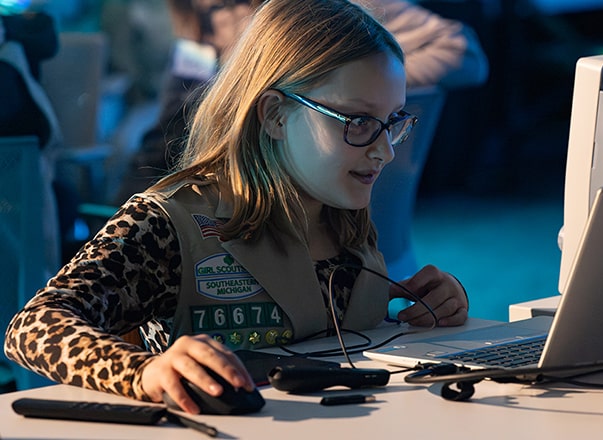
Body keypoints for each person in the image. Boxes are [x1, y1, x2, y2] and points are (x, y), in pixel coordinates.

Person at [4, 0, 468, 415]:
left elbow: (331, 341)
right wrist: (143, 372)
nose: (385, 151)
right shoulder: (167, 223)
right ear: (274, 116)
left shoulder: (343, 218)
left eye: (392, 122)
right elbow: (32, 326)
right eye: (359, 122)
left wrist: (420, 308)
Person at [112, 0, 488, 204]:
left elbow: (464, 52)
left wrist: (358, 90)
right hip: (230, 194)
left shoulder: (330, 12)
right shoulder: (198, 26)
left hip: (308, 194)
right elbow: (172, 127)